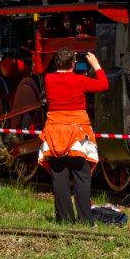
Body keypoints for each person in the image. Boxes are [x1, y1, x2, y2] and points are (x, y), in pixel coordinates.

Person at [38, 49, 108, 224]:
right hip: (77, 133)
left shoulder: (49, 79)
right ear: (73, 65)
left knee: (59, 177)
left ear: (56, 64)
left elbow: (50, 74)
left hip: (55, 132)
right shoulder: (79, 80)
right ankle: (85, 220)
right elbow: (103, 85)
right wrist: (96, 65)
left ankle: (64, 220)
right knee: (82, 177)